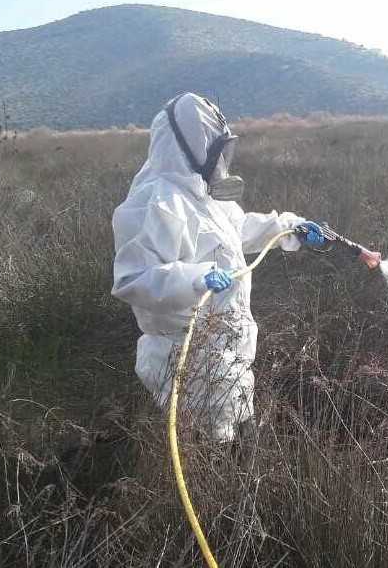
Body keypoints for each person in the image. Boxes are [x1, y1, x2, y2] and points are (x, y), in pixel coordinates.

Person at [111, 92, 324, 442]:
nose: (221, 158)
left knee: (241, 450)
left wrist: (289, 226)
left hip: (230, 357)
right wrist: (195, 279)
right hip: (185, 364)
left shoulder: (205, 196)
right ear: (191, 147)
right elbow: (133, 279)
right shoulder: (155, 202)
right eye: (215, 148)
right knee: (207, 457)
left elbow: (238, 231)